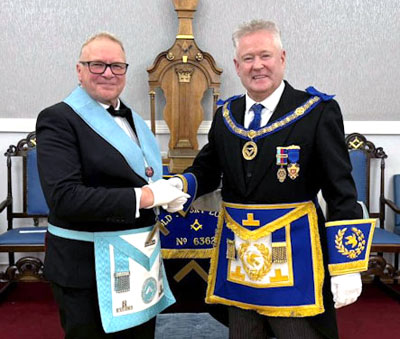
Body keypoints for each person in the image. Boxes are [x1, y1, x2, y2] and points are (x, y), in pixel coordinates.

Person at [170, 20, 375, 339]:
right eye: (248, 58)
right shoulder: (226, 114)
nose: (257, 65)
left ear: (282, 58)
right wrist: (180, 185)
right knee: (244, 333)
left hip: (297, 255)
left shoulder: (316, 111)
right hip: (239, 256)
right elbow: (207, 169)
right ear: (237, 66)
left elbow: (341, 192)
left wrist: (346, 265)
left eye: (265, 55)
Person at [36, 32, 189, 338]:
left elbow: (140, 174)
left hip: (138, 261)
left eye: (116, 66)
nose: (108, 73)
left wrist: (163, 192)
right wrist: (146, 196)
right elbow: (65, 199)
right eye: (97, 65)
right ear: (79, 71)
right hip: (86, 268)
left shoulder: (133, 118)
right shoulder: (57, 119)